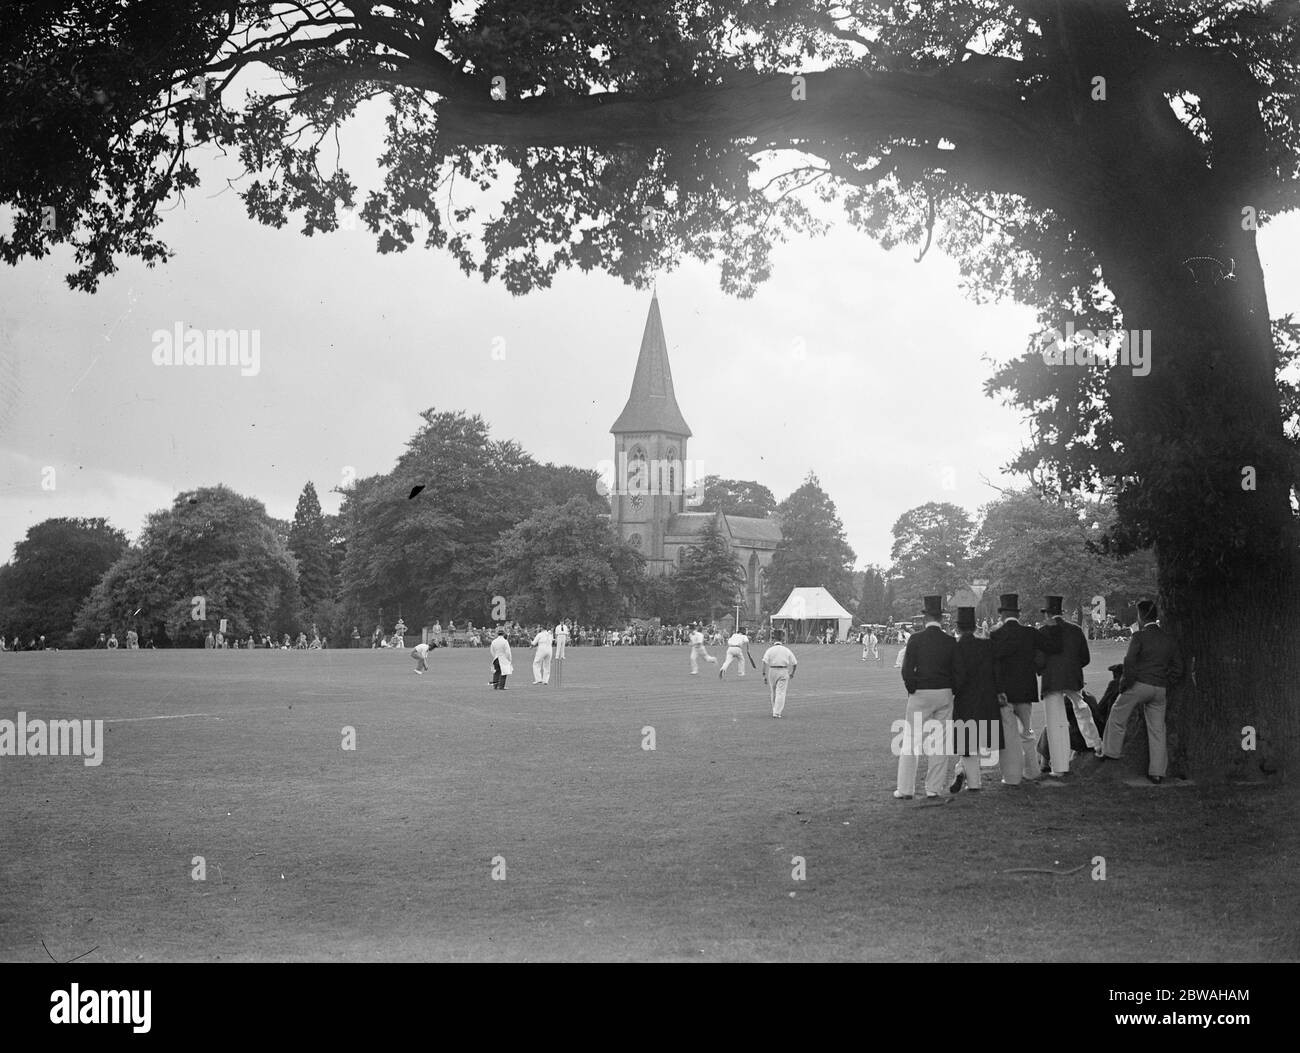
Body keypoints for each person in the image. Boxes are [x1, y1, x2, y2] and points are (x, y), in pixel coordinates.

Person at [1097, 600, 1183, 783]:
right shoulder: (1169, 640)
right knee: (1158, 730)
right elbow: (1178, 668)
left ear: (1141, 617)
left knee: (1118, 714)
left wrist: (1125, 684)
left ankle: (1111, 752)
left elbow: (1129, 663)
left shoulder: (1139, 637)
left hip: (1139, 684)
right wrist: (1166, 681)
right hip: (1160, 688)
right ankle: (1157, 772)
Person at [991, 594, 1060, 785]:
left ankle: (1010, 775)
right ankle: (1032, 771)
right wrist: (1054, 627)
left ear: (1003, 615)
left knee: (1006, 736)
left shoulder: (995, 635)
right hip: (1025, 690)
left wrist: (997, 689)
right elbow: (1052, 647)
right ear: (1018, 614)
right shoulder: (1030, 633)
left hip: (1003, 692)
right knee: (1027, 732)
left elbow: (993, 665)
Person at [896, 596, 961, 799]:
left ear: (925, 618)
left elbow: (907, 669)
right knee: (940, 743)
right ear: (941, 618)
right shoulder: (950, 641)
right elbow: (957, 671)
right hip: (944, 692)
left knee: (910, 740)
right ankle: (933, 788)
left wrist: (912, 688)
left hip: (921, 692)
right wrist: (952, 689)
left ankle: (906, 789)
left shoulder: (915, 639)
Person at [1037, 595, 1100, 775]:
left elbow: (1039, 660)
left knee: (1056, 723)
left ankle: (1058, 766)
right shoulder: (1076, 630)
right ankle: (1096, 744)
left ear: (1047, 614)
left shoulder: (1042, 632)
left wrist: (1042, 668)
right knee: (1082, 710)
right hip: (1072, 678)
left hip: (1051, 680)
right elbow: (1084, 658)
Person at [949, 606, 1003, 793]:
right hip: (987, 696)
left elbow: (957, 676)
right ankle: (962, 772)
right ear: (975, 627)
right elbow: (996, 671)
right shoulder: (987, 645)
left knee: (966, 743)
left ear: (957, 628)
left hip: (965, 698)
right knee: (981, 740)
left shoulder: (955, 648)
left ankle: (972, 781)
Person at [761, 630, 798, 718]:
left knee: (773, 692)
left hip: (772, 671)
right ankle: (777, 712)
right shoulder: (786, 650)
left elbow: (764, 662)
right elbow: (795, 663)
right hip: (783, 670)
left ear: (774, 639)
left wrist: (764, 675)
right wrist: (792, 673)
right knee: (780, 692)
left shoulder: (770, 650)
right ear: (782, 639)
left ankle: (775, 710)